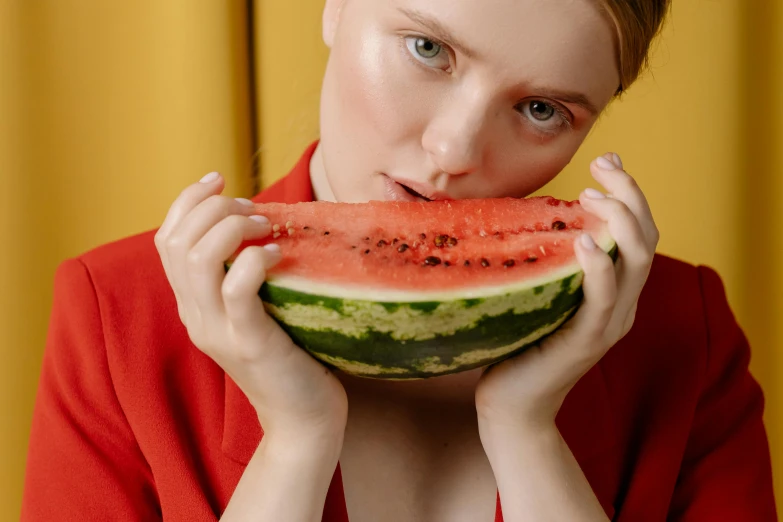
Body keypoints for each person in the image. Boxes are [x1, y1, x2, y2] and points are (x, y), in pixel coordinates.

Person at [22, 0, 778, 520]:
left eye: (541, 109)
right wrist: (294, 440)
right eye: (429, 50)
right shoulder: (116, 316)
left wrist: (526, 432)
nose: (453, 150)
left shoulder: (685, 332)